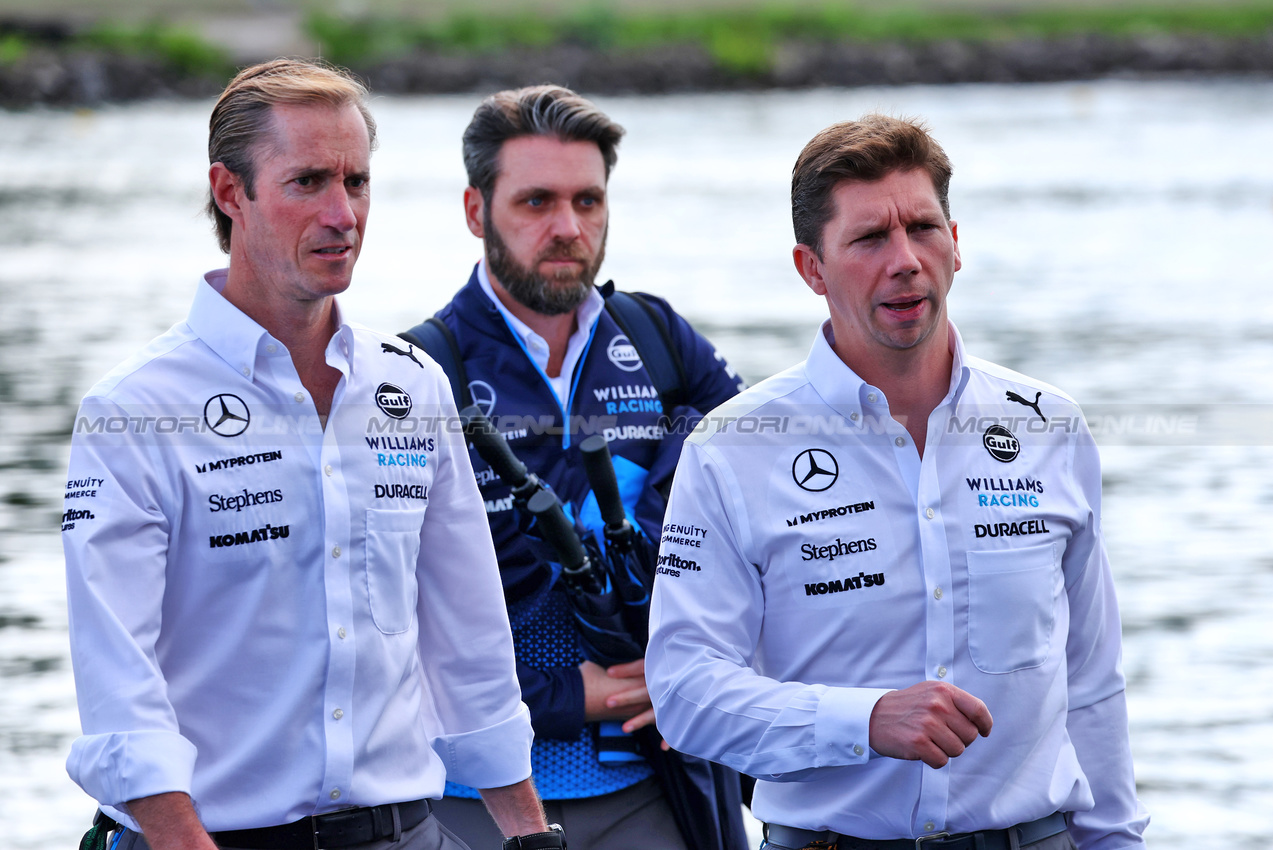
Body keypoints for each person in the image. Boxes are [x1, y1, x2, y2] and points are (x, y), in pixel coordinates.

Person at [61, 59, 562, 850]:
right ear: (231, 193)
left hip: (404, 833)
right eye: (307, 183)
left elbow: (468, 642)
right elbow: (118, 681)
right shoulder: (134, 411)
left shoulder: (413, 385)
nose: (342, 214)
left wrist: (532, 837)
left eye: (356, 182)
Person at [645, 115, 1150, 849]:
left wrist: (1117, 842)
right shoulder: (730, 450)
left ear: (955, 243)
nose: (905, 260)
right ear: (810, 268)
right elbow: (685, 694)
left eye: (922, 227)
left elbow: (1092, 684)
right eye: (869, 239)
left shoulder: (1049, 426)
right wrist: (864, 721)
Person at [403, 85, 748, 850]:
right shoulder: (416, 370)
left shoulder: (658, 338)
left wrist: (706, 673)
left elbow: (772, 531)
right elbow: (366, 621)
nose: (567, 228)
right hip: (471, 799)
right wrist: (561, 700)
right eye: (535, 202)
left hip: (653, 790)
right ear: (475, 211)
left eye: (587, 201)